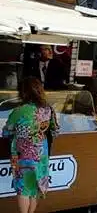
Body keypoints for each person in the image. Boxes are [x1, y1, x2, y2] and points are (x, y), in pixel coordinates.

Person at [2, 78, 59, 213]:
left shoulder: (19, 111)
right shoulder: (48, 109)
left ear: (23, 92)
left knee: (23, 188)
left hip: (23, 155)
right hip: (41, 154)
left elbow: (6, 131)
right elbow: (55, 130)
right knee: (35, 187)